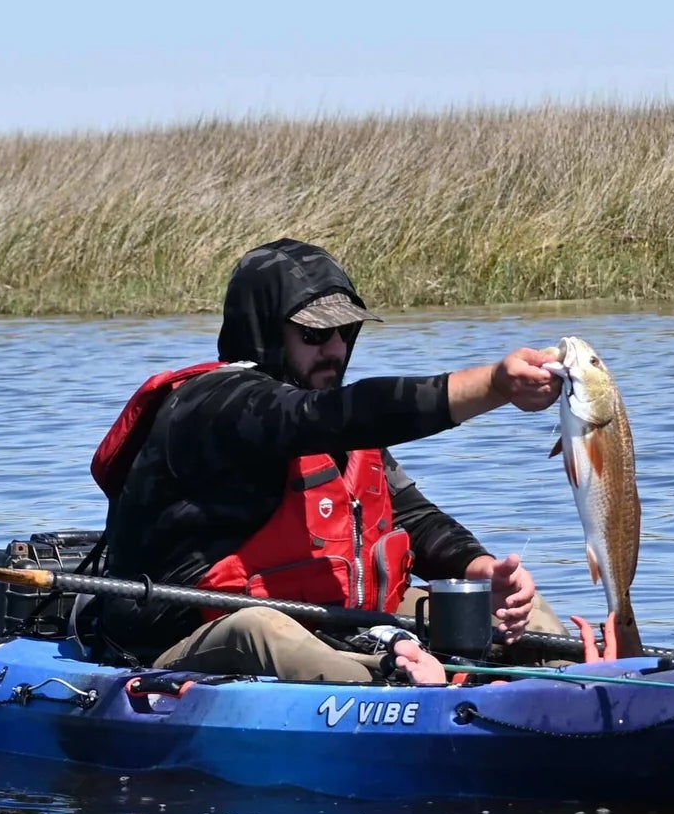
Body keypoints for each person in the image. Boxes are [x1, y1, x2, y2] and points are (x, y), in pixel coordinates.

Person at [83, 239, 576, 687]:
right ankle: (406, 693)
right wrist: (493, 385)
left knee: (500, 610)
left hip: (332, 618)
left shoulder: (342, 429)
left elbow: (412, 518)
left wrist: (479, 569)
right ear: (266, 334)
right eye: (314, 335)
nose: (336, 349)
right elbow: (327, 417)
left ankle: (587, 694)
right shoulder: (216, 406)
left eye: (345, 331)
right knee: (262, 626)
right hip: (183, 637)